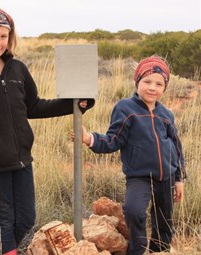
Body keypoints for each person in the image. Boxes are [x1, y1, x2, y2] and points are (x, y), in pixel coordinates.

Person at [0, 6, 94, 255]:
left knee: (26, 218)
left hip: (21, 159)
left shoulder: (18, 69)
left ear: (10, 37)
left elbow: (34, 106)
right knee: (4, 220)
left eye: (3, 36)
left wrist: (74, 104)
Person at [74, 55, 186, 255]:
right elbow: (113, 140)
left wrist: (179, 179)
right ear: (137, 82)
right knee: (134, 211)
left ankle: (159, 250)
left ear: (165, 88)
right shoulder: (126, 108)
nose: (152, 88)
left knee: (165, 219)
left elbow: (177, 147)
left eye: (159, 84)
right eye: (147, 81)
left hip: (166, 177)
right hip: (139, 176)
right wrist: (89, 138)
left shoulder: (166, 114)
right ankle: (137, 250)